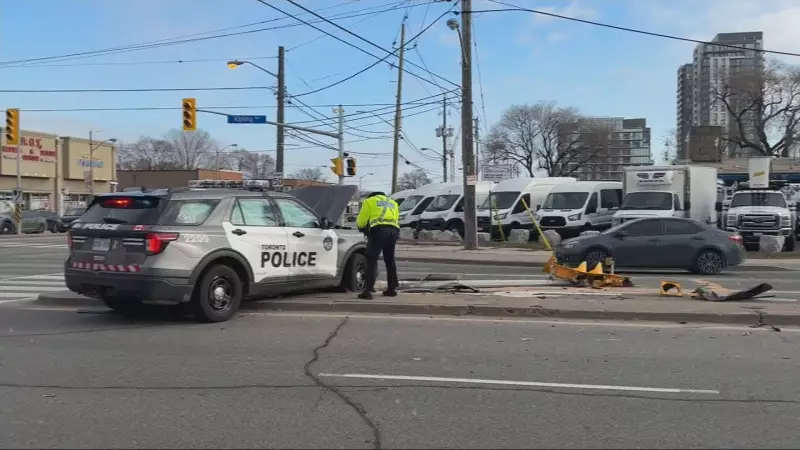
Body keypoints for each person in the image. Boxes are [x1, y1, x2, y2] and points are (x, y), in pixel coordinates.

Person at [356, 191, 400, 300]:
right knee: (390, 260)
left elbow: (362, 220)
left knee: (371, 258)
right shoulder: (393, 202)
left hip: (378, 230)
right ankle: (392, 289)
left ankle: (368, 290)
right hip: (394, 231)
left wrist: (361, 227)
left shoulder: (369, 201)